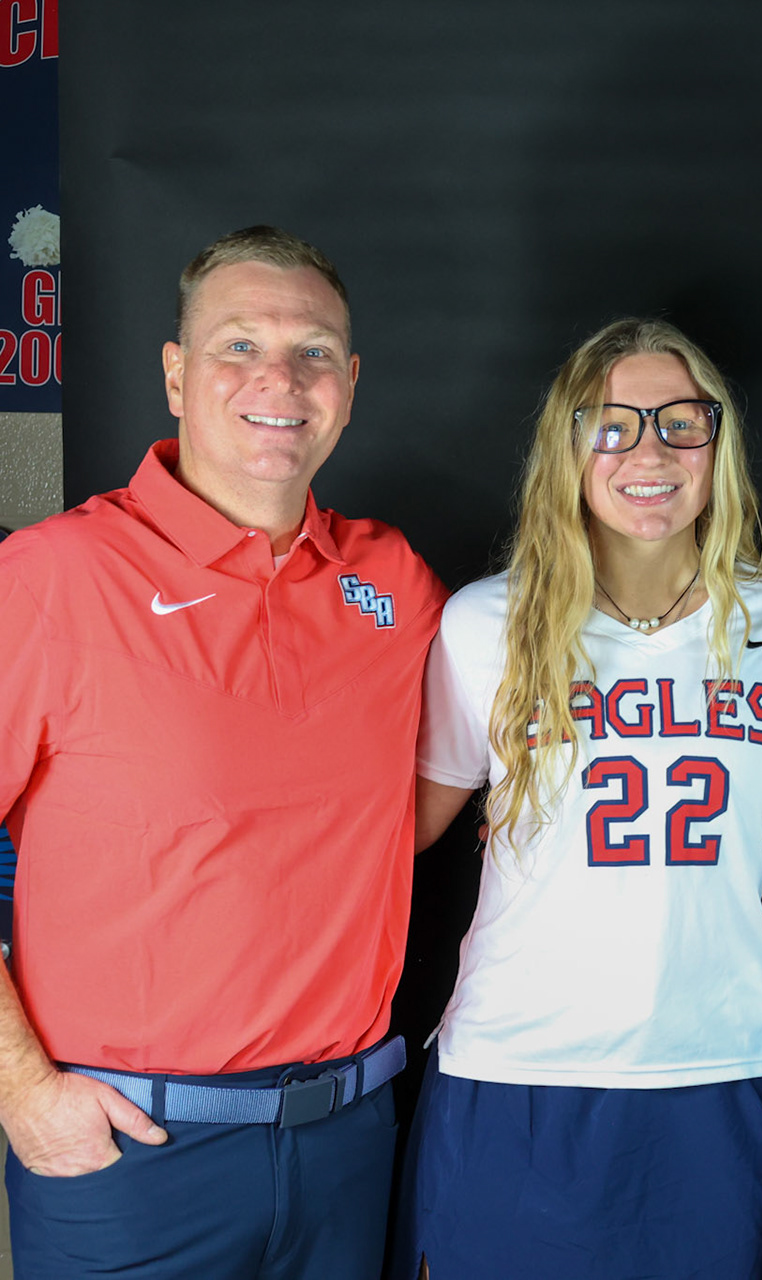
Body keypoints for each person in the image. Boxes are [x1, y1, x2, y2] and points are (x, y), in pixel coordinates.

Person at [0, 226, 445, 1277]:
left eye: (313, 351)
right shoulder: (53, 576)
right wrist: (20, 1090)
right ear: (174, 374)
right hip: (131, 1154)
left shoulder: (395, 584)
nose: (278, 379)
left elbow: (418, 806)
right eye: (238, 345)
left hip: (348, 1140)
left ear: (350, 384)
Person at [399, 318, 762, 1279]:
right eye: (612, 425)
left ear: (718, 444)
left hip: (719, 1056)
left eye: (681, 422)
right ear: (567, 447)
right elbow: (401, 828)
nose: (650, 452)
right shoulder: (487, 622)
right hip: (518, 1063)